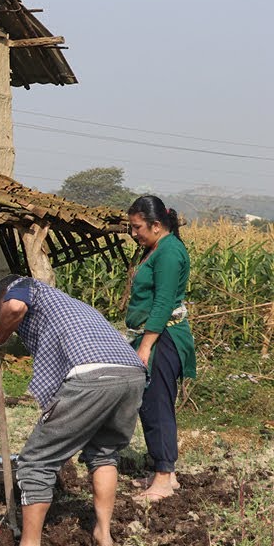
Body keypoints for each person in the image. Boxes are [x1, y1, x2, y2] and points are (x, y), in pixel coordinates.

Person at [0, 276, 146, 546]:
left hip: (92, 376)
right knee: (104, 454)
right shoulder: (66, 304)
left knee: (36, 462)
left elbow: (14, 308)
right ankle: (103, 535)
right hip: (131, 374)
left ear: (1, 298)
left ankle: (29, 542)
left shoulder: (24, 286)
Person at [126, 195, 195, 501]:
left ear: (156, 225)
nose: (133, 233)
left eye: (137, 227)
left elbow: (163, 304)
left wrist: (146, 347)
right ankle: (166, 472)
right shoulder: (158, 248)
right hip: (153, 337)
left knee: (156, 406)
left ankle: (164, 480)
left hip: (162, 339)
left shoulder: (168, 253)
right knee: (153, 403)